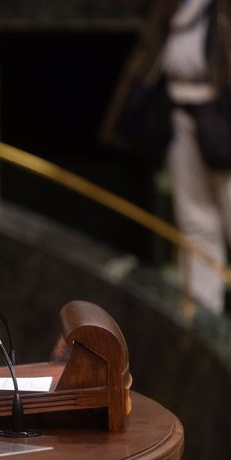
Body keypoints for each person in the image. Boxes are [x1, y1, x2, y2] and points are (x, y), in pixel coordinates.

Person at [102, 0, 231, 315]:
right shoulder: (170, 7)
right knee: (194, 223)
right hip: (180, 117)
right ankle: (203, 315)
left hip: (222, 119)